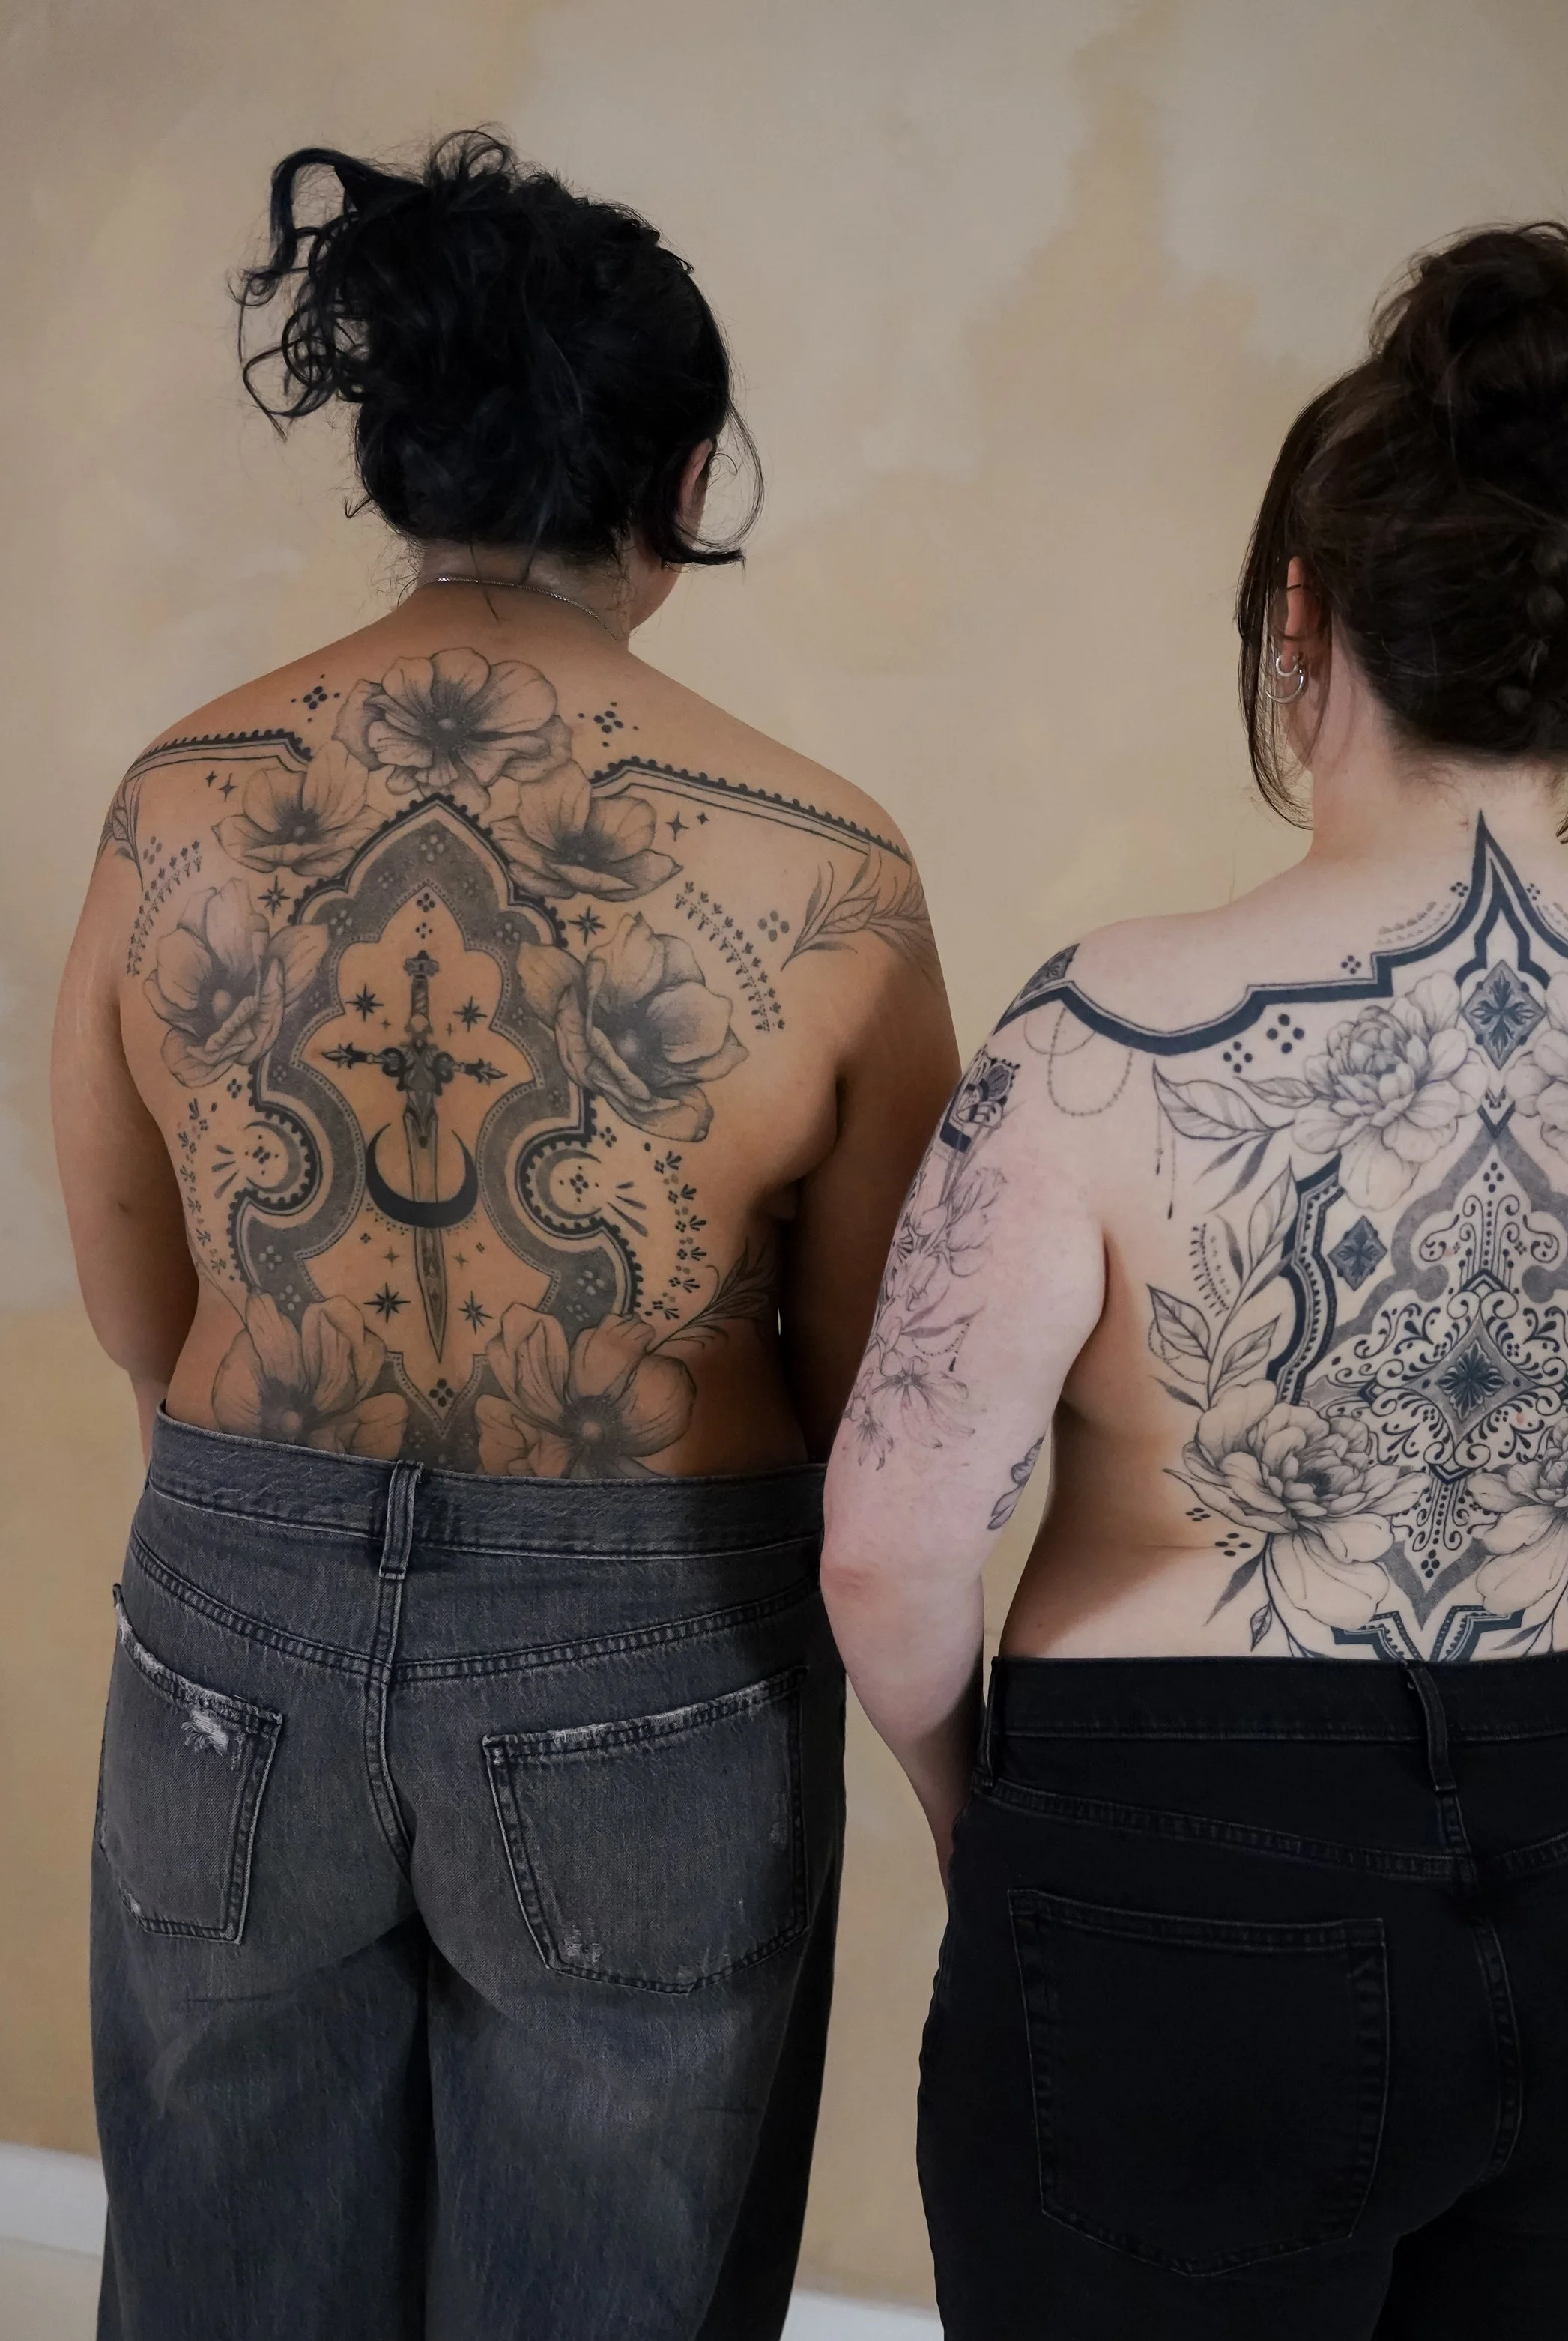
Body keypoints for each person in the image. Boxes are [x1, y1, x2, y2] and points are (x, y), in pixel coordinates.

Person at [821, 222, 1568, 2340]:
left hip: (1181, 1856)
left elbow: (887, 1548)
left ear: (1301, 619)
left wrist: (983, 1822)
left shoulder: (1105, 1034)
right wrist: (1535, 1758)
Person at [51, 131, 956, 2341]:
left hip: (233, 1611)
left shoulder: (178, 800)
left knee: (224, 2274)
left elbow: (137, 1294)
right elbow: (873, 1382)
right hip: (653, 1630)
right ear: (682, 476)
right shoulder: (824, 867)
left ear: (396, 452)